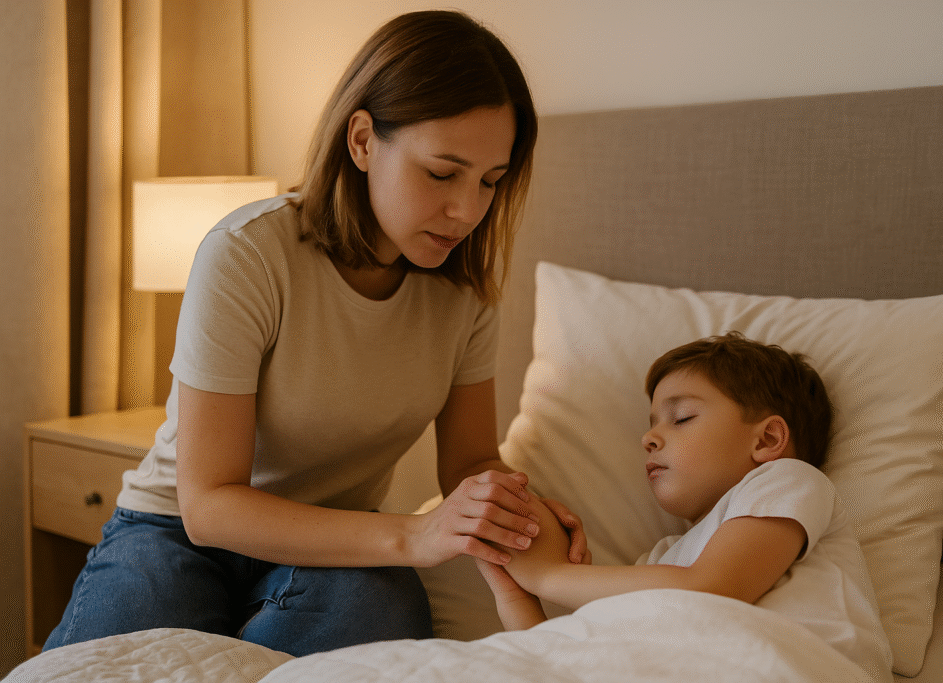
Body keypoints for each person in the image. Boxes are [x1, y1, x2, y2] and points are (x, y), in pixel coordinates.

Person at [45, 10, 586, 657]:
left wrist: (517, 514)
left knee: (378, 608)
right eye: (443, 173)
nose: (467, 210)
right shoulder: (248, 253)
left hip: (332, 548)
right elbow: (210, 504)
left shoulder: (463, 293)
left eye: (490, 183)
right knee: (114, 665)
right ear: (362, 141)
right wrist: (412, 535)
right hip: (174, 532)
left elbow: (469, 461)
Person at [476, 332, 893, 679]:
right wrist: (516, 593)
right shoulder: (659, 562)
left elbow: (712, 589)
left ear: (767, 441)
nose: (649, 438)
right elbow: (561, 664)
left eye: (681, 418)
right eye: (652, 424)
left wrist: (550, 576)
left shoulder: (789, 480)